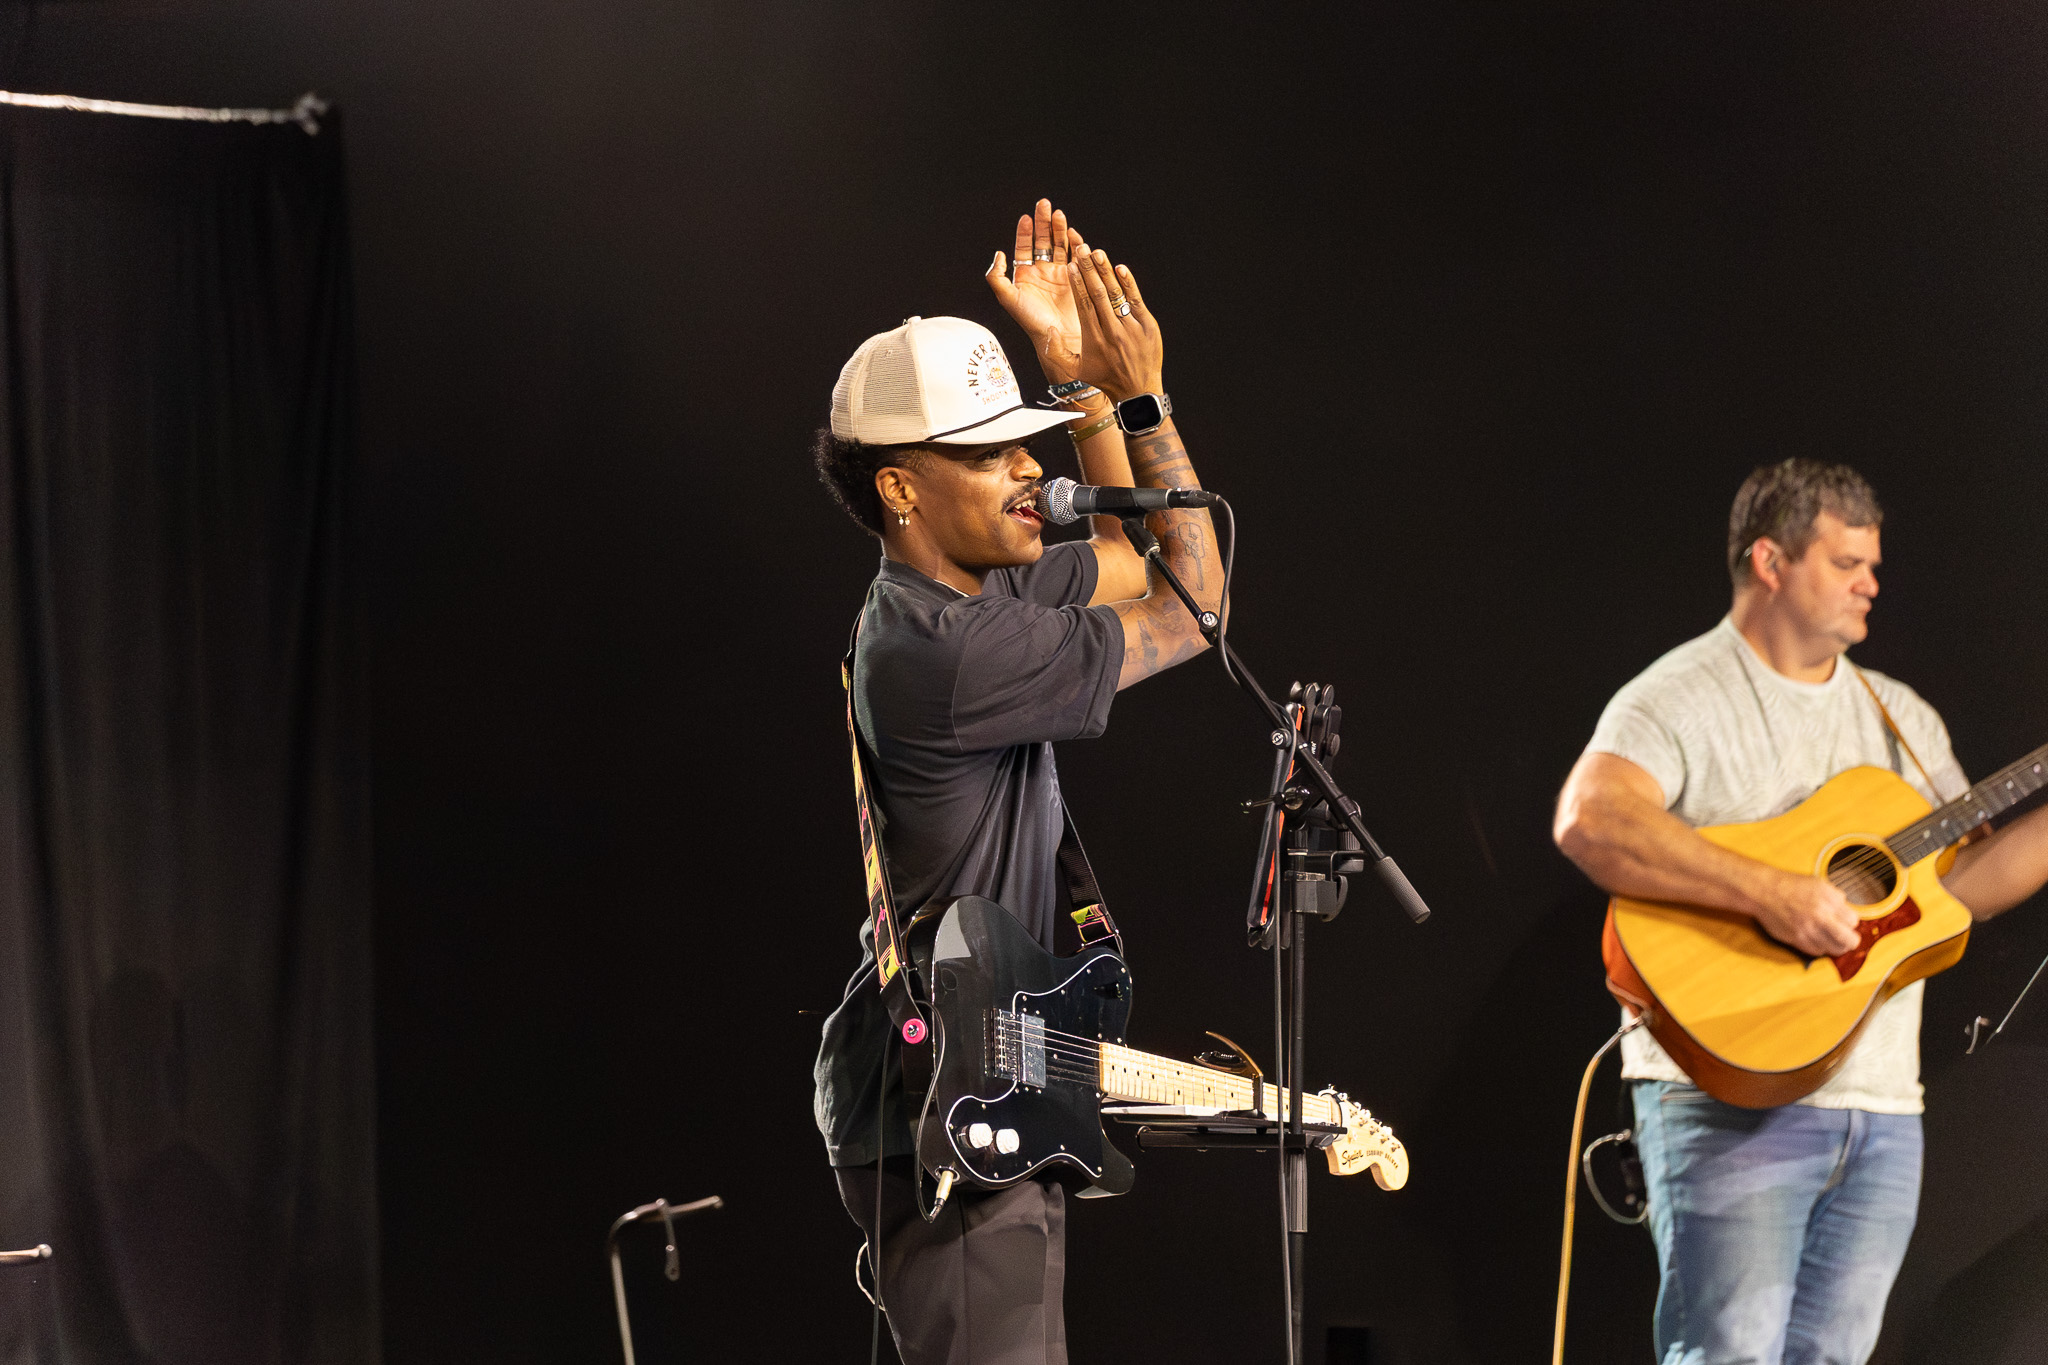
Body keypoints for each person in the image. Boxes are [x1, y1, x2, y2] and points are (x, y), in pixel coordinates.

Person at [809, 200, 1221, 1365]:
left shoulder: (969, 597)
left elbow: (1137, 562)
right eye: (989, 452)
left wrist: (1077, 382)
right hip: (943, 1101)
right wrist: (1141, 400)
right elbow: (1195, 606)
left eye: (1023, 442)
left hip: (966, 1082)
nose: (1026, 472)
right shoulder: (949, 651)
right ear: (900, 491)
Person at [1552, 459, 2048, 1365]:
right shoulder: (1681, 693)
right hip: (1726, 1090)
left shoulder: (1898, 713)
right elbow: (1591, 819)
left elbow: (1960, 887)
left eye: (1873, 564)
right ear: (1771, 562)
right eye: (1847, 562)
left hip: (1885, 1108)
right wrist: (1773, 892)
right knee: (1728, 1355)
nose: (1873, 582)